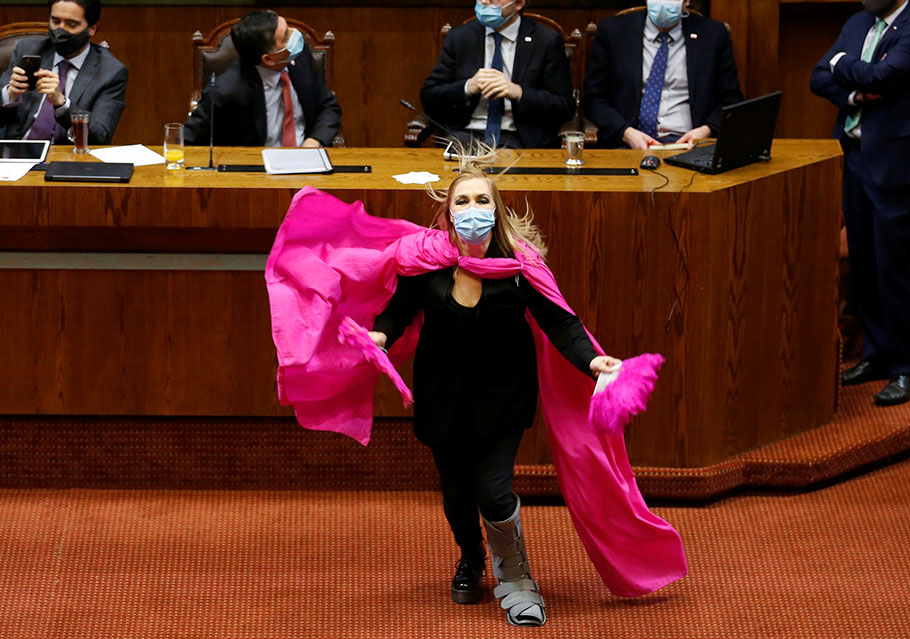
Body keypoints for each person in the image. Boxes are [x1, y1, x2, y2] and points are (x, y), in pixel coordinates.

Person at [264, 167, 688, 628]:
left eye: (482, 201)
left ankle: (516, 576)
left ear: (497, 210)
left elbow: (562, 323)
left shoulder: (521, 268)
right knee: (456, 495)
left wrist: (592, 362)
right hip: (441, 395)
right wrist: (380, 337)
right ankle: (471, 558)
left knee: (492, 488)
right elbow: (397, 312)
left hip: (503, 397)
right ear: (447, 213)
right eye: (462, 202)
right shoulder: (423, 263)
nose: (472, 211)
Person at [810, 0, 910, 406]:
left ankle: (907, 368)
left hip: (894, 164)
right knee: (864, 264)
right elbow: (816, 78)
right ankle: (879, 353)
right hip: (856, 156)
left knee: (893, 268)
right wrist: (855, 94)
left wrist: (844, 69)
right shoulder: (858, 23)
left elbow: (882, 76)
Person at [582, 0, 743, 149]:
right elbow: (593, 99)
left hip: (690, 143)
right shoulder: (614, 32)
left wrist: (706, 130)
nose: (662, 1)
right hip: (628, 143)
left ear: (687, 0)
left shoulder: (712, 36)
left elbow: (731, 99)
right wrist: (626, 132)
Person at [419, 0, 575, 149]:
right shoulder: (460, 37)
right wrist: (468, 86)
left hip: (521, 140)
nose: (483, 0)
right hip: (465, 136)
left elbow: (564, 107)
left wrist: (518, 92)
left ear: (519, 2)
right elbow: (429, 97)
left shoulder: (546, 41)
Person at [184, 10, 341, 147]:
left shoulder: (300, 58)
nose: (296, 35)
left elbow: (328, 106)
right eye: (286, 36)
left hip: (308, 162)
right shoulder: (225, 93)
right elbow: (188, 141)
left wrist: (314, 140)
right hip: (257, 171)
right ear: (269, 59)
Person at [1, 0, 128, 145]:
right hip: (17, 154)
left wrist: (62, 103)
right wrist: (10, 94)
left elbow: (100, 136)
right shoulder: (28, 50)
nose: (60, 30)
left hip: (68, 159)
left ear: (92, 29)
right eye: (55, 21)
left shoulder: (110, 72)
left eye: (71, 24)